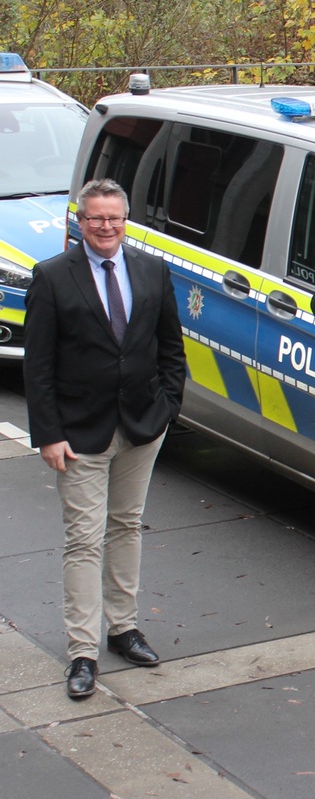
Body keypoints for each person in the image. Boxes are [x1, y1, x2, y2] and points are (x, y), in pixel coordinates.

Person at [24, 178, 187, 700]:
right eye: (95, 218)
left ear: (125, 219)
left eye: (114, 217)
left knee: (126, 528)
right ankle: (82, 652)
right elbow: (38, 365)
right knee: (83, 540)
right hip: (78, 435)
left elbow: (171, 349)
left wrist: (166, 411)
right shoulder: (51, 278)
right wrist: (48, 434)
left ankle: (124, 629)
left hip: (141, 427)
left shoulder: (151, 270)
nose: (105, 227)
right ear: (80, 220)